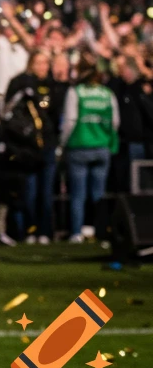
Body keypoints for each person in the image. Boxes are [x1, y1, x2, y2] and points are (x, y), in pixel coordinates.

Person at [0, 51, 52, 244]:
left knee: (45, 192)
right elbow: (7, 112)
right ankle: (25, 230)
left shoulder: (50, 84)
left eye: (45, 63)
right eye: (39, 62)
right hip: (25, 146)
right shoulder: (22, 83)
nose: (42, 67)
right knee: (26, 191)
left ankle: (43, 231)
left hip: (45, 143)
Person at [61, 53, 119, 243]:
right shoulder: (107, 94)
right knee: (99, 194)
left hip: (79, 146)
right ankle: (101, 232)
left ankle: (77, 233)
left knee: (78, 194)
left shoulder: (75, 92)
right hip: (101, 147)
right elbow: (115, 122)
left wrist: (62, 144)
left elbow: (70, 120)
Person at [108, 56, 153, 194]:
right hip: (129, 142)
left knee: (143, 181)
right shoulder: (121, 88)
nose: (122, 73)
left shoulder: (143, 88)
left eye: (124, 69)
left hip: (143, 141)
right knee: (131, 181)